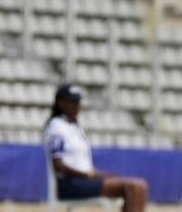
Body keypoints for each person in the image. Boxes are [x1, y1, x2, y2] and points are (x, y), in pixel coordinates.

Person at [43, 84, 148, 212]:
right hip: (70, 184)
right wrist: (87, 175)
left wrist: (94, 174)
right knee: (135, 187)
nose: (77, 106)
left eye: (78, 102)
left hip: (83, 180)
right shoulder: (56, 127)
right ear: (61, 103)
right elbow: (58, 165)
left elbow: (83, 166)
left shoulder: (75, 127)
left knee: (137, 186)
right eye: (72, 102)